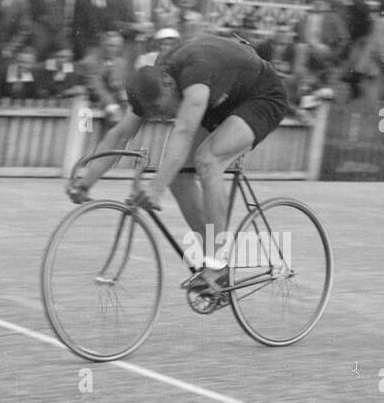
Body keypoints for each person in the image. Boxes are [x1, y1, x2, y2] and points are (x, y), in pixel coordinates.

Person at [67, 33, 290, 297]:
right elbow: (119, 135)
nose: (161, 118)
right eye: (155, 115)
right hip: (222, 99)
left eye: (161, 109)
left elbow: (183, 132)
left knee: (208, 160)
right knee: (177, 175)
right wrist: (86, 180)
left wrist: (155, 188)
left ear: (169, 84)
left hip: (261, 96)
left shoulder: (195, 76)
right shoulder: (153, 85)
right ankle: (214, 254)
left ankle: (217, 267)